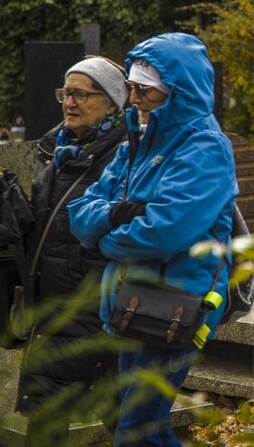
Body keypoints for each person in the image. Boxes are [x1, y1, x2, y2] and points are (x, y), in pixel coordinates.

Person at [69, 33, 237, 445]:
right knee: (143, 426)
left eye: (146, 90)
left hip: (176, 303)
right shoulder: (138, 141)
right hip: (133, 298)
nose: (135, 98)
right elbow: (81, 212)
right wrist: (113, 214)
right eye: (132, 87)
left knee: (136, 429)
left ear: (179, 91)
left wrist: (105, 241)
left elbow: (164, 232)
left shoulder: (204, 146)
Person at [16, 57, 128, 443]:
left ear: (111, 104)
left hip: (92, 307)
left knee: (123, 417)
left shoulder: (121, 157)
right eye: (66, 93)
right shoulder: (58, 150)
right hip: (54, 305)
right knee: (50, 413)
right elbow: (46, 225)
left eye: (82, 94)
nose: (69, 103)